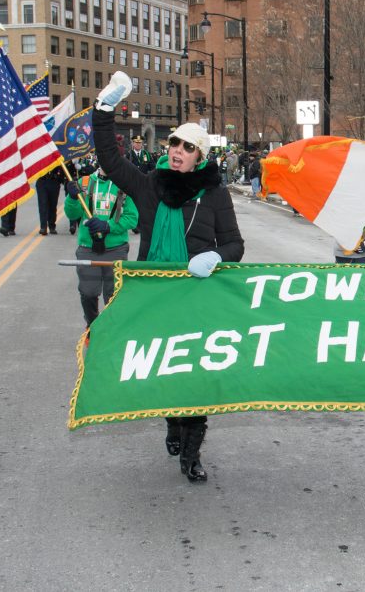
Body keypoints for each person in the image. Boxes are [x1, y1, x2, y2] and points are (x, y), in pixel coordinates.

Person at [93, 87, 244, 485]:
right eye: (173, 143)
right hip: (154, 298)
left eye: (187, 147)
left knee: (193, 376)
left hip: (197, 300)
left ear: (200, 156)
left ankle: (192, 453)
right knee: (163, 370)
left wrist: (216, 257)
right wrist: (104, 110)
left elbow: (234, 244)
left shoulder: (214, 194)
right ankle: (172, 422)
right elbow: (109, 159)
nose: (176, 150)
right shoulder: (149, 186)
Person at [65, 166, 139, 326]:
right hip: (88, 247)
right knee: (88, 292)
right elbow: (72, 214)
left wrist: (108, 226)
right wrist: (71, 198)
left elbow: (132, 218)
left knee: (113, 294)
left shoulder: (124, 186)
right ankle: (92, 326)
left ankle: (112, 329)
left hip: (116, 248)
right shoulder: (84, 182)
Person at [35, 166, 65, 235]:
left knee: (52, 205)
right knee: (43, 204)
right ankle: (43, 227)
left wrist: (60, 179)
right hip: (42, 181)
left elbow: (61, 166)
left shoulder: (56, 155)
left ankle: (52, 226)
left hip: (53, 181)